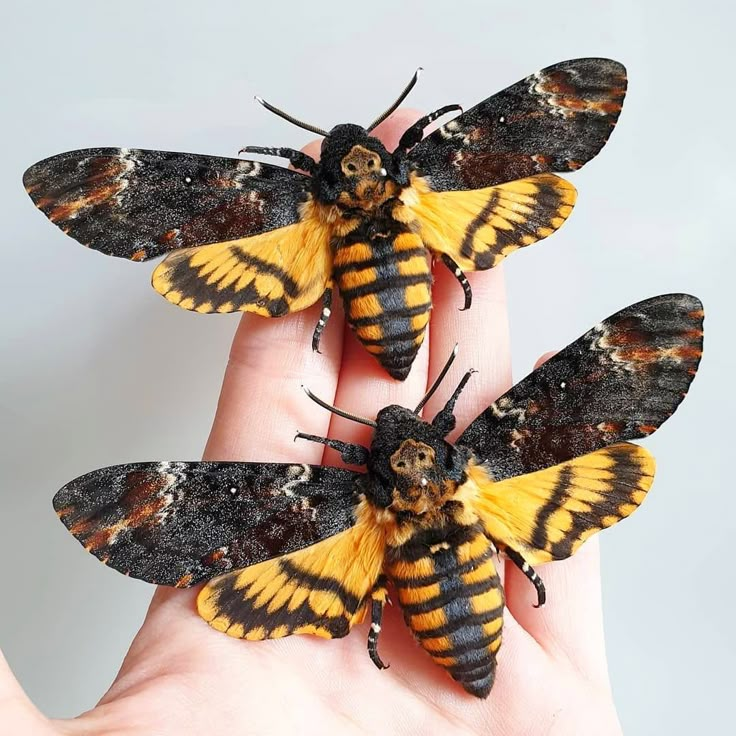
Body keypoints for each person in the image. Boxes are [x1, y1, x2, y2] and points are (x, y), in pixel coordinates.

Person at [0, 112, 623, 735]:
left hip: (357, 519)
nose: (358, 173)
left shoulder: (342, 487)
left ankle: (369, 610)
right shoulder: (477, 453)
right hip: (458, 455)